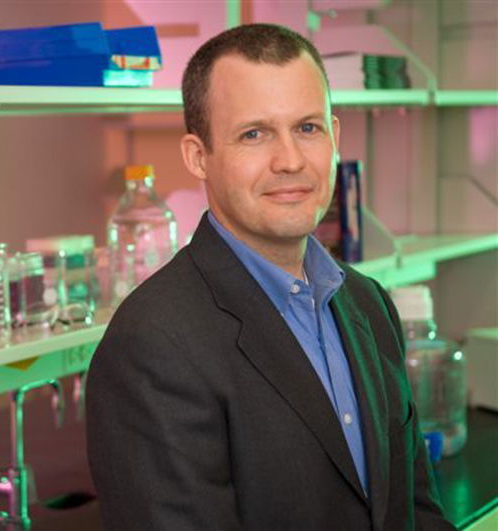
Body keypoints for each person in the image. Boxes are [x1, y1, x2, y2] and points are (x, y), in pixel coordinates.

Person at [86, 23, 455, 531]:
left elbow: (416, 510)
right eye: (254, 134)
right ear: (199, 156)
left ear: (334, 136)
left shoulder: (367, 302)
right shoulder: (152, 344)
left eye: (308, 127)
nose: (290, 161)